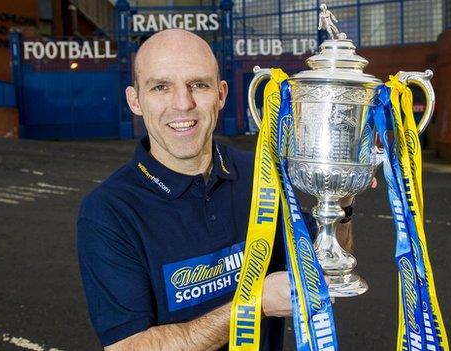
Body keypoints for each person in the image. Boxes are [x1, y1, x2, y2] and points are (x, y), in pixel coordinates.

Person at [77, 29, 357, 351]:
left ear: (221, 94)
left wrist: (340, 198)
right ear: (135, 100)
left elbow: (326, 262)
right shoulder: (109, 212)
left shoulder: (262, 174)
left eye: (199, 85)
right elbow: (128, 346)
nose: (183, 104)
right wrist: (255, 304)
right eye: (161, 87)